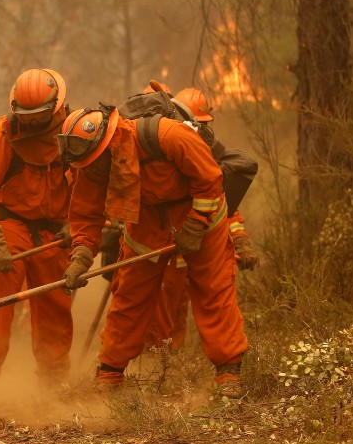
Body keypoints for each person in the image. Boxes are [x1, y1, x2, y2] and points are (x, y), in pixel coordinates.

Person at [59, 92, 248, 398]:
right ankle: (110, 371)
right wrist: (81, 255)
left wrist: (195, 224)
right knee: (129, 296)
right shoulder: (91, 165)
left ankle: (229, 371)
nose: (94, 170)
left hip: (202, 215)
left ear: (110, 143)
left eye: (96, 163)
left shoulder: (169, 135)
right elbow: (84, 213)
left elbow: (211, 180)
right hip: (145, 224)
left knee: (214, 290)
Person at [0, 68, 73, 398]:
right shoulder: (6, 131)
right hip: (12, 223)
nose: (32, 123)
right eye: (26, 115)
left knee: (54, 302)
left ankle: (54, 381)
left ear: (55, 107)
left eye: (39, 115)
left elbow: (88, 184)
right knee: (0, 300)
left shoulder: (73, 130)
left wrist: (76, 225)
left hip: (56, 230)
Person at [144, 87, 259, 352]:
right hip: (158, 246)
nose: (202, 130)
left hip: (190, 251)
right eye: (199, 124)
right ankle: (148, 361)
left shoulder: (203, 155)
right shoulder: (163, 153)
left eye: (204, 125)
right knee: (149, 306)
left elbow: (223, 207)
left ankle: (169, 362)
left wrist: (240, 241)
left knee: (178, 309)